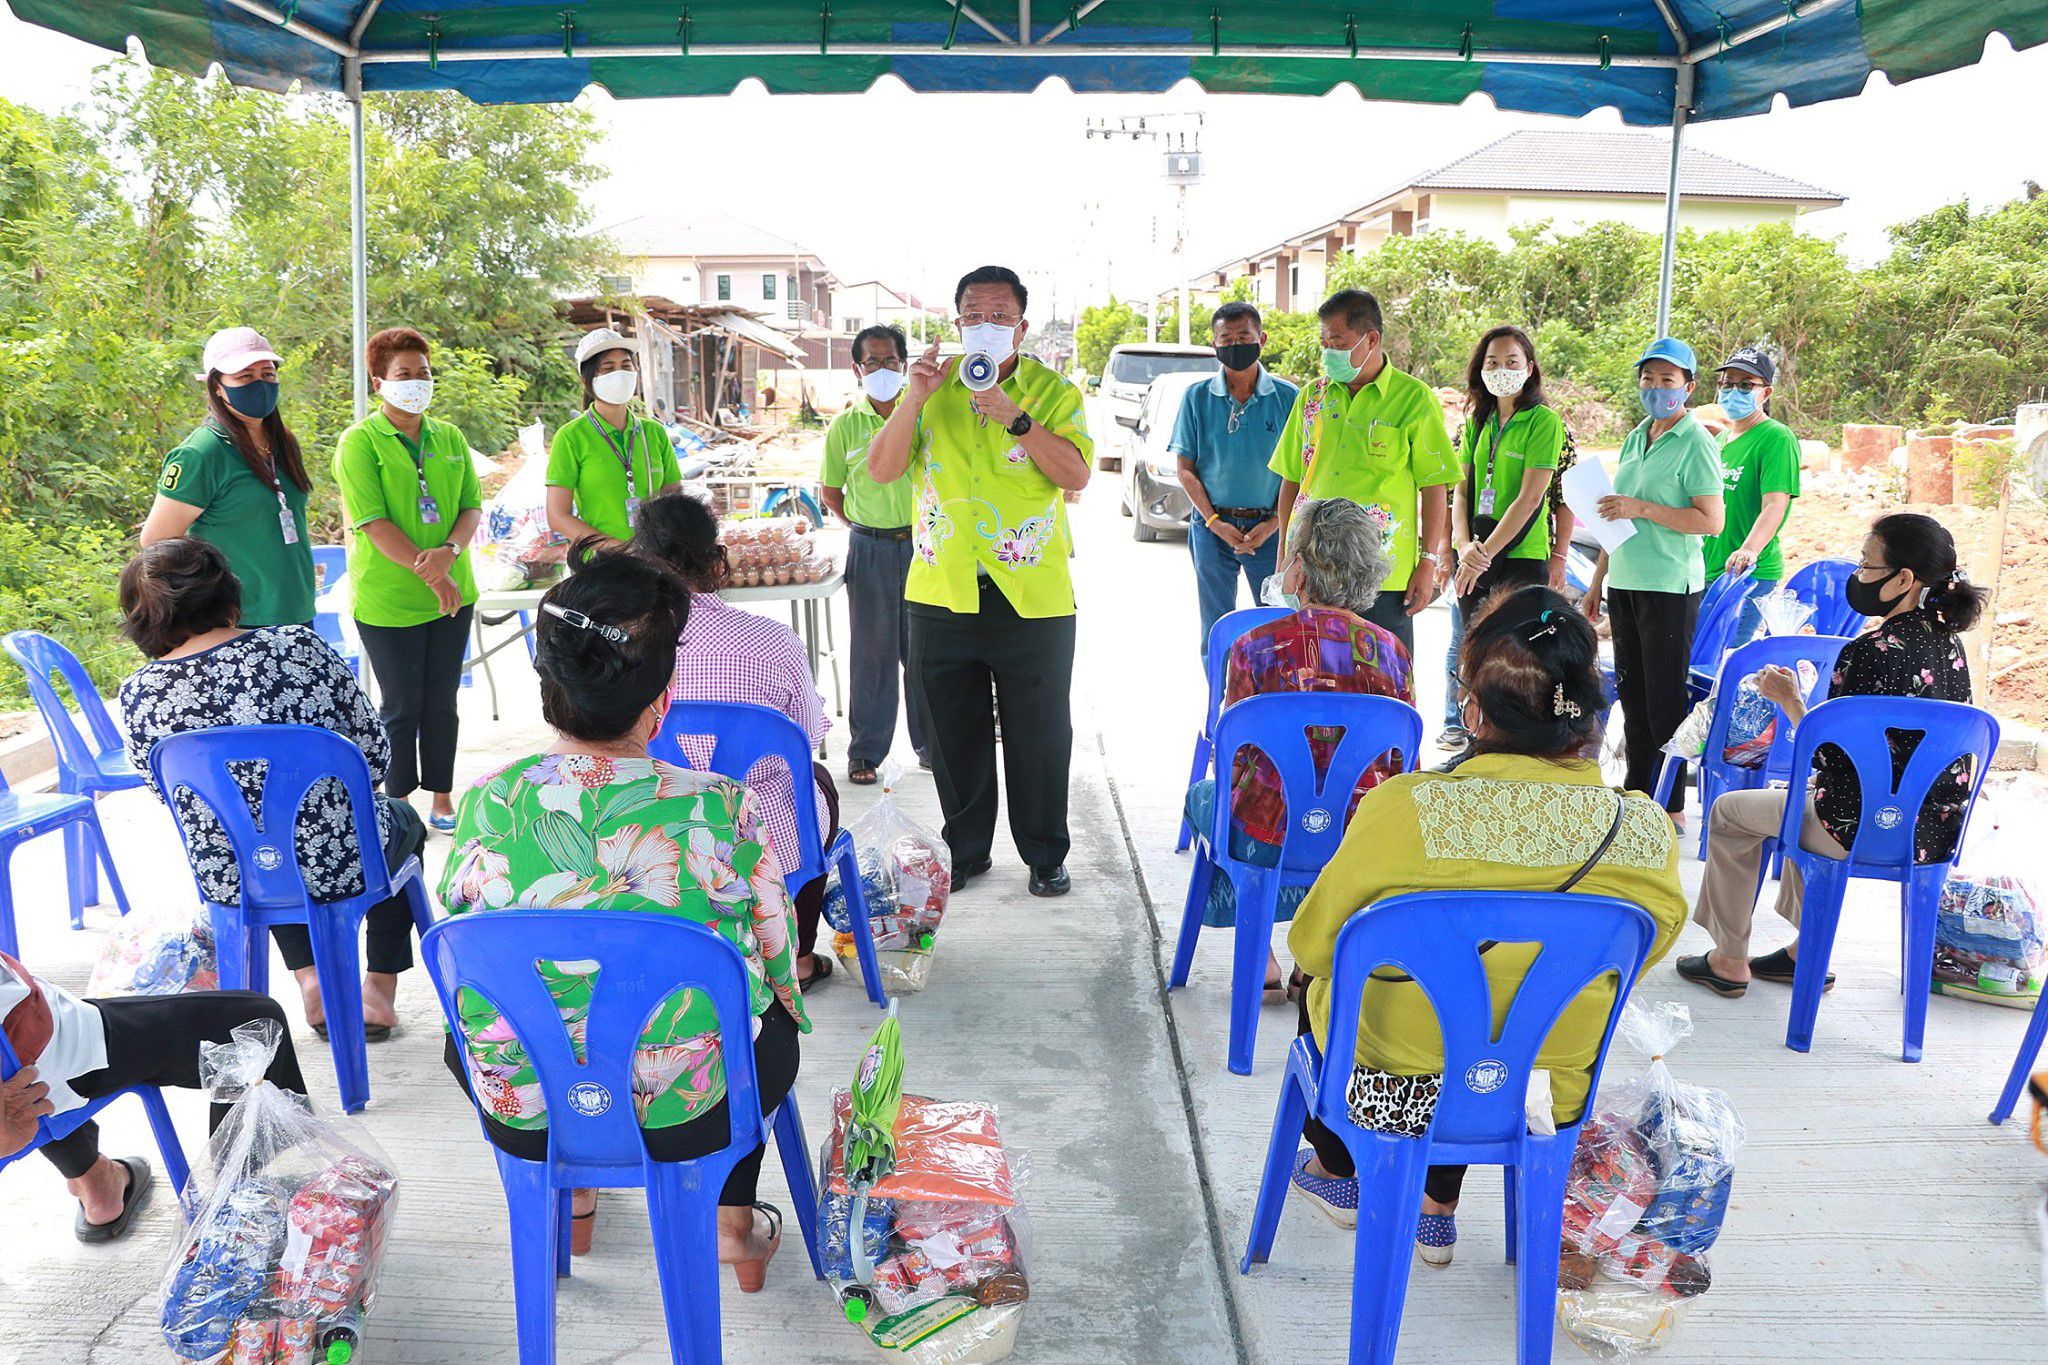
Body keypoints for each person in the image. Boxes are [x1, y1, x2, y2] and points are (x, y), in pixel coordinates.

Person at [439, 545, 808, 1285]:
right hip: (685, 1113)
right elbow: (777, 955)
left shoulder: (485, 800)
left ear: (547, 686)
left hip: (527, 1106)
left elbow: (466, 940)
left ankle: (574, 1196)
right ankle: (731, 1228)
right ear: (661, 698)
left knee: (519, 1015)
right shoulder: (720, 806)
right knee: (762, 1021)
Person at [1285, 586, 1685, 1265]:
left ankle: (1336, 1172)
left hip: (1391, 1096)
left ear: (1473, 707)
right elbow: (1645, 953)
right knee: (1502, 1014)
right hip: (1541, 1094)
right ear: (1588, 711)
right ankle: (1436, 1208)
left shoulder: (1408, 810)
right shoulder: (1645, 831)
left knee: (1335, 990)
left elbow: (1314, 944)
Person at [116, 538, 428, 1039]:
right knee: (402, 821)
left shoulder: (139, 694)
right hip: (341, 861)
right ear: (229, 594)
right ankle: (377, 990)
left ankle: (310, 979)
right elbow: (373, 755)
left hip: (234, 877)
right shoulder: (298, 647)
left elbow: (168, 795)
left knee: (255, 838)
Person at [1677, 514, 1983, 996]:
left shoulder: (1868, 651)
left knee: (1731, 812)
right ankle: (1805, 952)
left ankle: (1728, 959)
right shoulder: (1951, 648)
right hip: (1929, 830)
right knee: (1807, 796)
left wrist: (1789, 700)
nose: (1858, 575)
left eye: (1866, 564)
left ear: (1903, 579)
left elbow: (1827, 757)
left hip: (1856, 826)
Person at [868, 265, 1094, 899]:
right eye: (974, 315)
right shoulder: (930, 389)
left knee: (1040, 733)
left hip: (1032, 597)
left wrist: (1015, 417)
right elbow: (882, 471)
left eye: (1000, 316)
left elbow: (1076, 476)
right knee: (951, 731)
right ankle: (965, 850)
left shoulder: (1053, 392)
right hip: (941, 591)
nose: (986, 326)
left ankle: (1045, 854)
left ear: (1022, 327)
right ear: (957, 323)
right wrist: (914, 398)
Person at [1181, 498, 1413, 1001]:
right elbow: (1403, 769)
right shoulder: (1393, 654)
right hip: (1359, 840)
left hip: (1271, 837)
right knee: (1326, 814)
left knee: (1206, 800)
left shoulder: (1255, 646)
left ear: (1301, 570)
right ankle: (1311, 961)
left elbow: (1234, 760)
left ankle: (1260, 954)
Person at [633, 493, 840, 989]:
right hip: (764, 838)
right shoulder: (773, 639)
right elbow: (807, 735)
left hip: (657, 834)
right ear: (718, 562)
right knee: (816, 782)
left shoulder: (629, 643)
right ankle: (796, 956)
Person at [2, 951, 306, 1243]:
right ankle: (239, 1199)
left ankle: (96, 1182)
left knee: (30, 1083)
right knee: (256, 1024)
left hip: (27, 1062)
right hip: (51, 1052)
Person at [332, 326, 484, 833]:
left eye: (423, 372)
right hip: (389, 601)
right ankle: (397, 805)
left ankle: (442, 798)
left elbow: (470, 506)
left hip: (453, 595)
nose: (416, 382)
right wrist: (434, 575)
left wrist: (449, 555)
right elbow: (373, 523)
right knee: (401, 706)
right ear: (379, 383)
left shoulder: (450, 437)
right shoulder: (359, 442)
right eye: (404, 374)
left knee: (442, 702)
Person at [1269, 289, 1457, 654]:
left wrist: (1428, 562)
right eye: (1324, 343)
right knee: (1313, 667)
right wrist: (1283, 555)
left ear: (1371, 339)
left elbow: (1435, 487)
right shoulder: (1312, 397)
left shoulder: (1414, 399)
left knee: (1382, 670)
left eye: (1338, 343)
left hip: (1381, 573)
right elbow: (1291, 478)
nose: (1329, 352)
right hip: (1311, 571)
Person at [1584, 338, 1725, 816]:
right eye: (1648, 378)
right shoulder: (1636, 435)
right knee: (1633, 694)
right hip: (1625, 581)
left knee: (1664, 699)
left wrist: (1642, 508)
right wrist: (1598, 581)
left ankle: (1669, 804)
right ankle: (1637, 791)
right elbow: (1613, 515)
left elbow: (1711, 521)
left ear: (1688, 387)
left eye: (1668, 379)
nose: (1656, 388)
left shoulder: (1697, 442)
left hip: (1668, 586)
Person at [141, 326, 316, 629]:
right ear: (217, 386)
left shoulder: (282, 442)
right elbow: (157, 542)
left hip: (297, 612)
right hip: (238, 622)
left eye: (268, 374)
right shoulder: (201, 454)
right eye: (245, 376)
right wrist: (208, 601)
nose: (260, 384)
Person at [819, 324, 931, 784]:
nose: (882, 369)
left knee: (925, 651)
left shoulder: (926, 416)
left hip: (926, 548)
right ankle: (865, 752)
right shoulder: (844, 426)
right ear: (857, 369)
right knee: (871, 655)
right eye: (872, 362)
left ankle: (932, 746)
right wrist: (864, 527)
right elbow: (831, 493)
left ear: (904, 365)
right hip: (869, 549)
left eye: (890, 361)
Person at [1169, 301, 1297, 648]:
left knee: (1278, 625)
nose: (1235, 345)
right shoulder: (1196, 397)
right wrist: (1214, 522)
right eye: (1226, 339)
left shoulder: (1288, 398)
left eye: (1244, 336)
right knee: (1217, 625)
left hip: (1271, 531)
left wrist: (1273, 524)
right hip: (1212, 529)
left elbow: (1300, 472)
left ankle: (1268, 686)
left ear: (1262, 340)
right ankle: (1221, 684)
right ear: (1214, 344)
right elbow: (1186, 470)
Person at [545, 328, 683, 547]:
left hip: (654, 559)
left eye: (626, 366)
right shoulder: (570, 437)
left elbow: (674, 495)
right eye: (608, 368)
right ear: (585, 381)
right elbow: (558, 516)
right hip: (600, 562)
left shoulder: (653, 432)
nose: (619, 374)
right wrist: (618, 550)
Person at [1701, 345, 1801, 642]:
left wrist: (1749, 550)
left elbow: (1774, 504)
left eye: (1746, 385)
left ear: (1766, 393)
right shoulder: (1721, 440)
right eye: (1727, 384)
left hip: (1747, 574)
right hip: (1710, 568)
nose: (1734, 391)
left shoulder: (1776, 438)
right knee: (1699, 654)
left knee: (1724, 656)